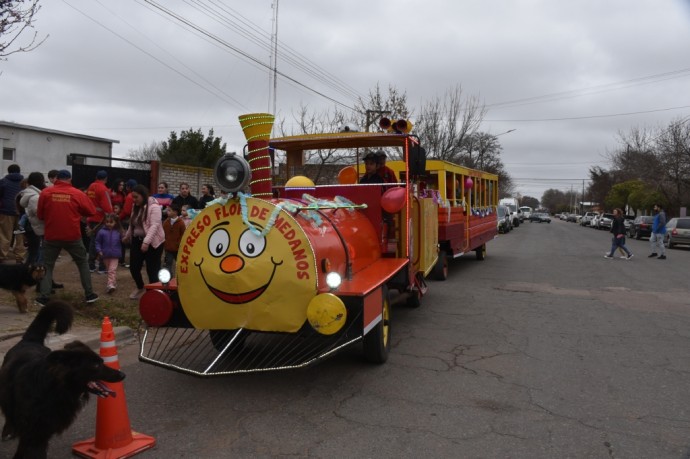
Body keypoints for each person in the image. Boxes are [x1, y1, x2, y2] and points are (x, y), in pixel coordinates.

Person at [36, 169, 98, 306]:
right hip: (73, 235)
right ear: (70, 179)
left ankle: (44, 297)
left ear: (57, 178)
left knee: (47, 265)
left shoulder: (46, 193)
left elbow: (40, 215)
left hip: (51, 235)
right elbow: (92, 211)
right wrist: (78, 211)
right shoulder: (77, 193)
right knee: (82, 263)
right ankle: (89, 294)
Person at [123, 184, 164, 300]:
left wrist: (146, 242)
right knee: (134, 267)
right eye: (133, 198)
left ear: (143, 195)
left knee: (152, 270)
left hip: (154, 242)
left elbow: (154, 226)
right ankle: (140, 287)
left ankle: (154, 293)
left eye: (136, 197)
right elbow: (132, 223)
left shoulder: (154, 207)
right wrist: (127, 236)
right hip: (137, 240)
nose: (134, 200)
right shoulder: (135, 206)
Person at [86, 170, 112, 273]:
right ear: (106, 179)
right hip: (101, 220)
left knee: (93, 242)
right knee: (103, 243)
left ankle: (91, 265)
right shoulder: (103, 189)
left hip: (91, 218)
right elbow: (108, 207)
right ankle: (102, 267)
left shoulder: (91, 187)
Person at [0, 164, 26, 263]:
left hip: (6, 212)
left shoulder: (3, 182)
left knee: (4, 235)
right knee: (20, 235)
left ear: (8, 171)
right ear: (19, 171)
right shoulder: (24, 182)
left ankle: (2, 256)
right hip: (21, 212)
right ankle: (19, 257)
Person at [95, 213, 123, 294]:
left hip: (115, 254)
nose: (108, 224)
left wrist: (126, 238)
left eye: (111, 222)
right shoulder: (101, 232)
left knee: (112, 270)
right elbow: (97, 242)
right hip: (105, 254)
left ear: (115, 222)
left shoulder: (118, 231)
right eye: (107, 222)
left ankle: (110, 285)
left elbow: (124, 239)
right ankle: (113, 282)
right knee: (109, 270)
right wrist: (99, 250)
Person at [162, 202, 185, 276]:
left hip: (177, 248)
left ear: (175, 212)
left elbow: (183, 234)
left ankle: (180, 277)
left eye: (169, 210)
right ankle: (170, 278)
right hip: (168, 248)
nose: (167, 212)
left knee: (179, 263)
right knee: (168, 263)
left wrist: (178, 244)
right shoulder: (166, 222)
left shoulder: (181, 223)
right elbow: (163, 233)